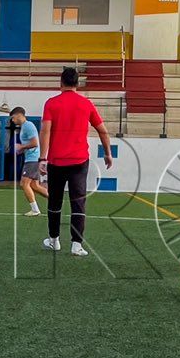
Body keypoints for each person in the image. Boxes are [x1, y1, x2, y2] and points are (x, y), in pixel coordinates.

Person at [37, 66, 115, 258]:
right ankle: (76, 244)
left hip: (56, 162)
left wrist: (42, 158)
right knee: (78, 203)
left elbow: (45, 131)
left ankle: (54, 240)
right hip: (79, 162)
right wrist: (107, 153)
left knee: (54, 202)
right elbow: (103, 130)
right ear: (77, 84)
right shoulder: (86, 104)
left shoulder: (51, 104)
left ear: (61, 83)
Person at [9, 107, 44, 217]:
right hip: (32, 159)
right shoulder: (24, 127)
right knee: (34, 186)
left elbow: (35, 143)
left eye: (13, 118)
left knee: (24, 184)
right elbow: (31, 144)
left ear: (19, 115)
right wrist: (21, 149)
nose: (13, 121)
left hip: (32, 160)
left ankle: (35, 210)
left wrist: (21, 146)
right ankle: (56, 202)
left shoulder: (28, 126)